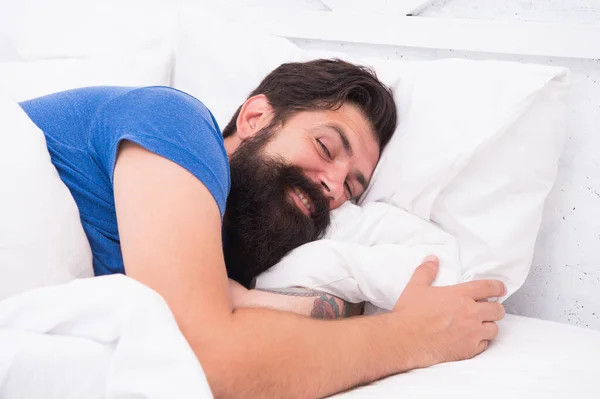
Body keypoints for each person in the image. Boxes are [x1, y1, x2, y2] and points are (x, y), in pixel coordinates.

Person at [20, 59, 505, 398]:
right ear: (255, 118)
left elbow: (237, 325)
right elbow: (209, 362)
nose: (334, 186)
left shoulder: (236, 247)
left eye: (353, 188)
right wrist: (410, 337)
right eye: (325, 146)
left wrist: (247, 301)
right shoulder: (177, 123)